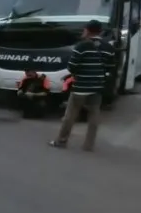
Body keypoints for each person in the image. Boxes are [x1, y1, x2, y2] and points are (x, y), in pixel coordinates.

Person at [49, 20, 115, 151]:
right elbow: (110, 67)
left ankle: (61, 141)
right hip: (97, 87)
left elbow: (72, 67)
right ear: (100, 31)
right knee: (94, 115)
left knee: (70, 115)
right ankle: (88, 145)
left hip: (81, 87)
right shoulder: (108, 47)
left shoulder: (81, 46)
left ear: (87, 30)